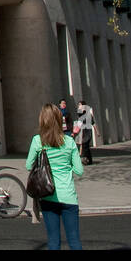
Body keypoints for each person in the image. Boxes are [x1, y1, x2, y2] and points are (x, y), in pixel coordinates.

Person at [27, 103, 84, 250]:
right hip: (68, 195)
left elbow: (28, 165)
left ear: (42, 120)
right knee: (74, 241)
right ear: (59, 120)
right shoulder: (69, 142)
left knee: (53, 241)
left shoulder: (37, 141)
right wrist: (66, 168)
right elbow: (79, 170)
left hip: (47, 194)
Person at [76, 99, 96, 165]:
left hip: (88, 130)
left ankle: (86, 159)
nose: (79, 106)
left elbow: (93, 122)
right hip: (83, 131)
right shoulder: (80, 113)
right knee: (85, 145)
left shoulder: (88, 113)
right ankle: (88, 159)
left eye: (80, 104)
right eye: (78, 105)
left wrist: (97, 131)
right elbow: (79, 121)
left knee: (85, 144)